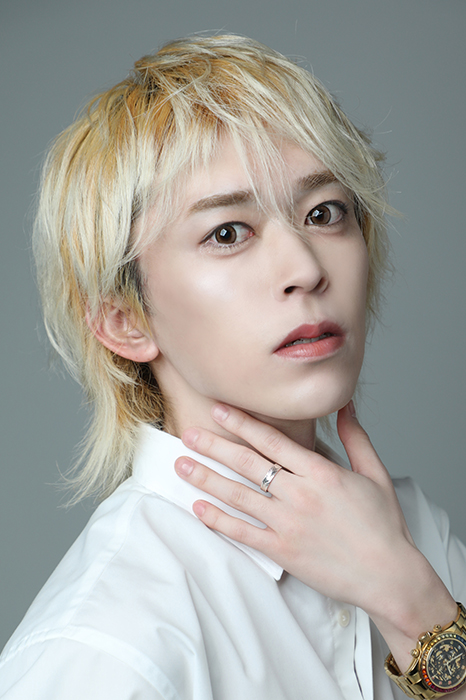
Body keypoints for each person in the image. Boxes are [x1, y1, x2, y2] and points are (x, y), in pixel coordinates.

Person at [0, 34, 465, 700]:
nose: (306, 268)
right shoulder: (105, 651)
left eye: (324, 213)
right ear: (125, 320)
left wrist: (412, 603)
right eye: (227, 233)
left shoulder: (418, 536)